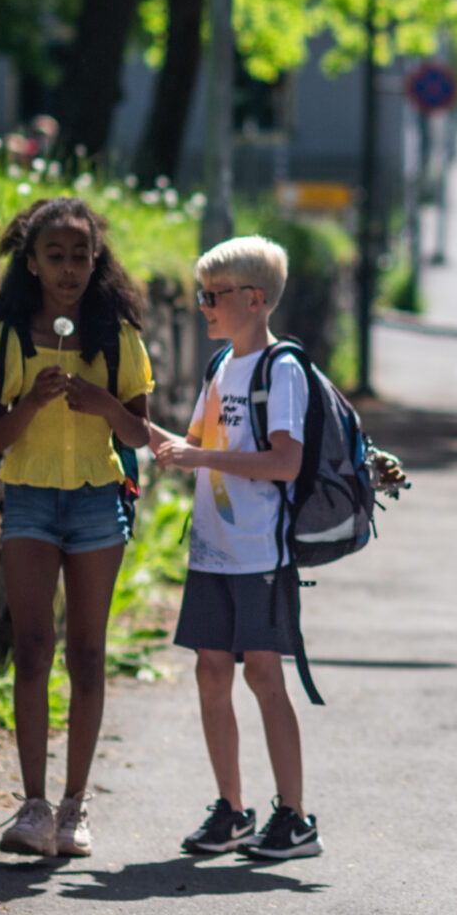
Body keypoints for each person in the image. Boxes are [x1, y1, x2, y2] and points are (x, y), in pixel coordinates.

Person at [0, 197, 154, 859]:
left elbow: (140, 432)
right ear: (32, 262)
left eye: (81, 255)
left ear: (96, 259)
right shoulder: (5, 341)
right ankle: (31, 806)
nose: (70, 268)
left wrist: (103, 403)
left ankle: (75, 808)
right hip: (28, 503)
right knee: (32, 647)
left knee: (86, 653)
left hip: (95, 505)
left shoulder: (118, 339)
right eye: (56, 255)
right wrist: (32, 403)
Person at [145, 236, 322, 864]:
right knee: (212, 671)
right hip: (212, 553)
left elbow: (285, 461)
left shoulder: (283, 371)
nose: (203, 307)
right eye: (201, 295)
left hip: (259, 556)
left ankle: (296, 817)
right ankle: (233, 810)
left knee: (264, 675)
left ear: (254, 299)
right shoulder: (222, 368)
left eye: (213, 296)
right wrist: (115, 412)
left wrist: (198, 455)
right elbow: (188, 443)